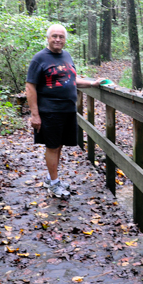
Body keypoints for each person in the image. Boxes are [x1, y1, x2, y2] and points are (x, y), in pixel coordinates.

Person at [26, 24, 104, 198]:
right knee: (52, 146)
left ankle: (51, 178)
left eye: (61, 37)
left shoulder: (66, 56)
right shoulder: (39, 58)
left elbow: (72, 79)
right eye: (54, 36)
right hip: (50, 111)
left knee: (59, 145)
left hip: (67, 110)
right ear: (48, 38)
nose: (58, 39)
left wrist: (92, 83)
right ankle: (54, 184)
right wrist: (35, 115)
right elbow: (30, 87)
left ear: (65, 39)